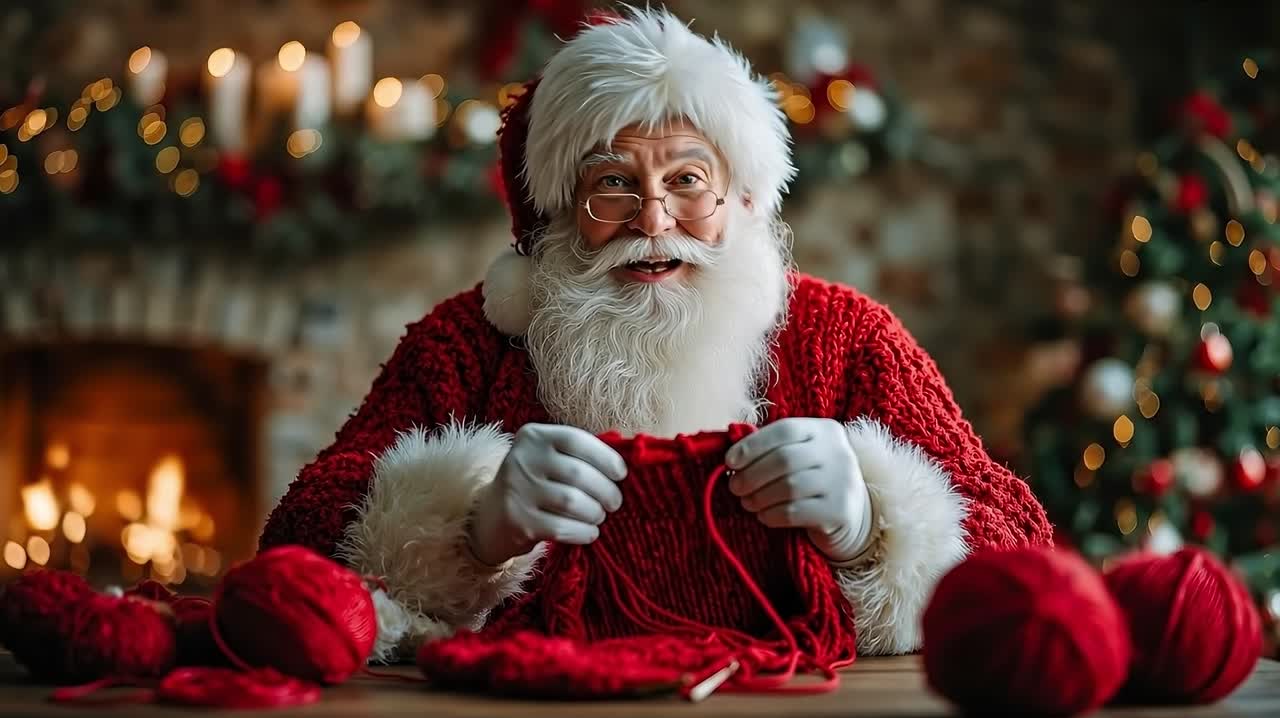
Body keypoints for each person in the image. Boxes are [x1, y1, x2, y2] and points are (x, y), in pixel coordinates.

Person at [260, 7, 1051, 663]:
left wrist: (872, 523)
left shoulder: (847, 335)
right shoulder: (467, 342)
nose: (653, 219)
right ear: (559, 213)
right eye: (613, 183)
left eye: (687, 180)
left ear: (743, 201)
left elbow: (1025, 548)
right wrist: (473, 527)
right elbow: (293, 543)